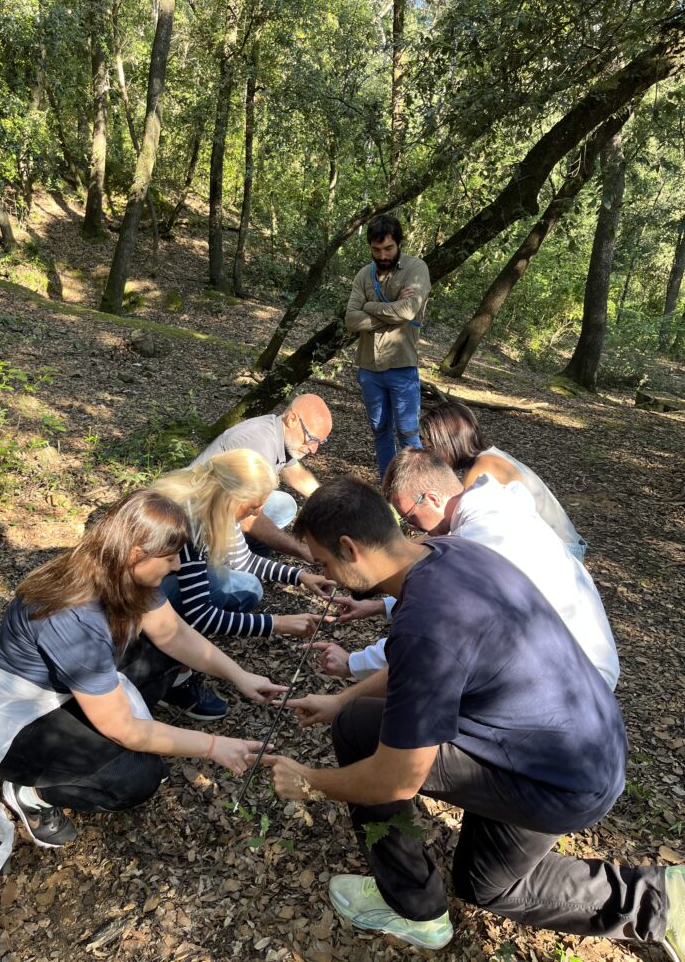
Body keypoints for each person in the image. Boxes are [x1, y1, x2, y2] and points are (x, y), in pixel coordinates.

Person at [256, 478, 683, 959]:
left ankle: (416, 911)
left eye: (325, 562)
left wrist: (311, 782)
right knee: (355, 722)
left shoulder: (426, 624)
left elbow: (394, 781)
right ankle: (669, 895)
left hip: (560, 782)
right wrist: (342, 699)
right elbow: (428, 662)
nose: (327, 575)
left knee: (489, 888)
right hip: (585, 743)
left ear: (351, 548)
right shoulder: (452, 553)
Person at [0, 489, 287, 875]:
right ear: (136, 554)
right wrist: (214, 747)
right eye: (170, 558)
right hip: (24, 711)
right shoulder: (73, 618)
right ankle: (29, 788)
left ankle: (101, 734)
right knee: (135, 777)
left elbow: (173, 635)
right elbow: (125, 728)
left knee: (166, 656)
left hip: (67, 683)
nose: (178, 567)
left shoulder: (120, 570)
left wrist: (240, 675)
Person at [311, 449, 618, 688]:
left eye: (412, 520)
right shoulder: (492, 509)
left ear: (431, 498)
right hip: (575, 656)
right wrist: (380, 607)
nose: (415, 531)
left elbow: (431, 631)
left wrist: (354, 662)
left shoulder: (478, 541)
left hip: (577, 675)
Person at [150, 449, 333, 719]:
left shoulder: (216, 505)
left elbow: (244, 561)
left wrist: (300, 577)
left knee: (248, 587)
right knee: (217, 584)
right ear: (229, 497)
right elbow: (201, 616)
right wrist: (277, 624)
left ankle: (182, 653)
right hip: (137, 602)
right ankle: (173, 677)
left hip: (161, 586)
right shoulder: (186, 519)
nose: (257, 513)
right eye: (252, 506)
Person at [420, 401, 587, 560]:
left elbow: (457, 529)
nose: (431, 455)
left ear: (448, 442)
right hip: (563, 544)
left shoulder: (484, 468)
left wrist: (414, 543)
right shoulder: (488, 457)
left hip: (563, 550)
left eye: (430, 447)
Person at [191, 394, 333, 564]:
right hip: (197, 517)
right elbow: (248, 519)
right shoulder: (259, 443)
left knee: (284, 504)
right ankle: (229, 564)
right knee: (248, 579)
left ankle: (246, 558)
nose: (314, 449)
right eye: (312, 439)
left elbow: (297, 475)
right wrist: (302, 550)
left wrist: (330, 505)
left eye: (321, 442)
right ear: (292, 419)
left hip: (224, 506)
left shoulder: (280, 433)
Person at [345, 215, 431, 478]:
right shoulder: (364, 274)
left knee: (408, 431)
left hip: (402, 366)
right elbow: (350, 319)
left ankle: (414, 487)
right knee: (379, 429)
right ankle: (388, 485)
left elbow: (407, 311)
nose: (382, 255)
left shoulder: (416, 270)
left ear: (399, 244)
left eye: (388, 248)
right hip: (368, 367)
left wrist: (368, 308)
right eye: (376, 249)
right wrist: (389, 313)